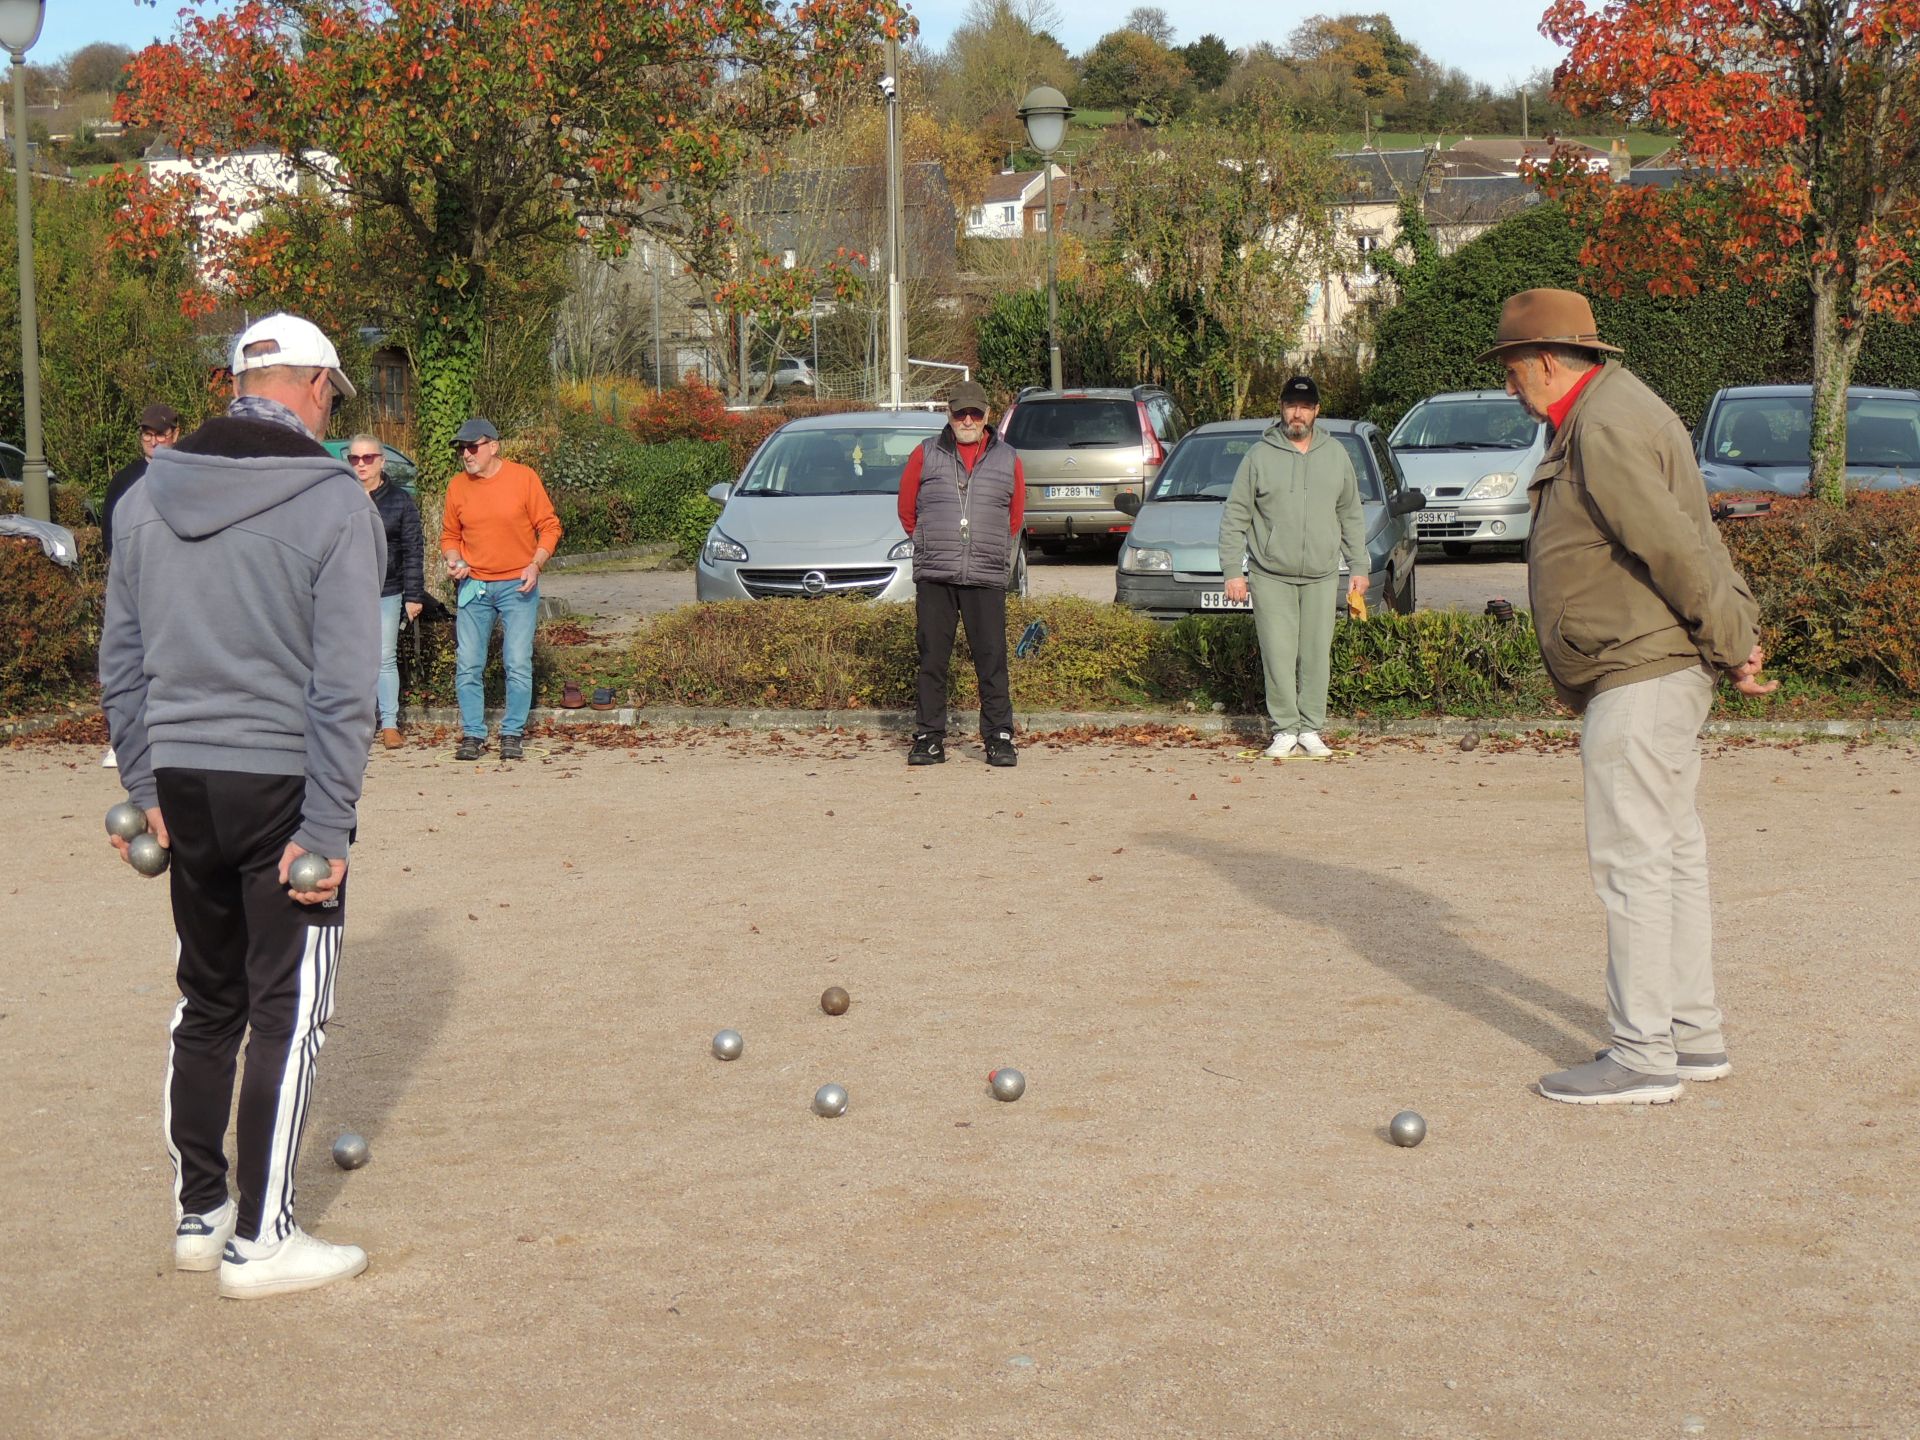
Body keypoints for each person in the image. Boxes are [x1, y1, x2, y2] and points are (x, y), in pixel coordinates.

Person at [98, 312, 384, 1298]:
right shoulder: (335, 503)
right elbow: (347, 686)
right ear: (309, 385)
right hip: (281, 784)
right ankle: (262, 1240)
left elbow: (121, 661)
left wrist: (141, 782)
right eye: (329, 393)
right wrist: (330, 825)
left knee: (207, 998)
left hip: (180, 781)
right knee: (286, 1010)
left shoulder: (142, 495)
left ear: (233, 383)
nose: (328, 408)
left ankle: (200, 1212)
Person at [1483, 288, 1776, 1106]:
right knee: (1673, 853)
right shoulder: (1612, 410)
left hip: (1640, 669)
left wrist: (1729, 634)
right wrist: (1735, 633)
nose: (1509, 386)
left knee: (1635, 863)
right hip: (1657, 663)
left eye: (1511, 369)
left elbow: (1673, 542)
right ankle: (1691, 1037)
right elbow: (1695, 532)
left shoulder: (1603, 423)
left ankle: (1644, 1053)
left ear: (1545, 359)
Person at [1217, 375, 1368, 759]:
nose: (1296, 413)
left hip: (1321, 574)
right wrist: (1233, 570)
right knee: (1279, 653)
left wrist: (1358, 566)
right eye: (1290, 406)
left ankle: (1311, 728)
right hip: (1271, 574)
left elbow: (1350, 513)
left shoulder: (1336, 456)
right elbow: (1235, 515)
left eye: (1304, 407)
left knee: (1317, 653)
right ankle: (1285, 729)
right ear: (1282, 409)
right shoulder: (1259, 456)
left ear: (1317, 411)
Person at [896, 380, 1025, 767]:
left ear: (987, 416)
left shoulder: (1009, 459)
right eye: (959, 413)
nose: (967, 420)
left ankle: (999, 737)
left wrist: (994, 551)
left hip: (985, 574)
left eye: (974, 413)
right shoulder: (926, 453)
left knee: (992, 658)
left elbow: (1015, 516)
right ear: (949, 416)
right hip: (937, 574)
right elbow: (906, 509)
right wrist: (927, 539)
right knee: (933, 658)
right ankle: (928, 737)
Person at [438, 417, 562, 762]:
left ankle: (512, 732)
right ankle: (473, 734)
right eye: (461, 448)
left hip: (518, 586)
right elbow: (450, 535)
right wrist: (453, 559)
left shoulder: (524, 478)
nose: (466, 454)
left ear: (494, 446)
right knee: (468, 664)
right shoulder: (457, 487)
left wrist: (535, 564)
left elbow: (549, 526)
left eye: (472, 447)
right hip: (474, 585)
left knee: (517, 662)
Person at [346, 435, 426, 749]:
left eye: (368, 458)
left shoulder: (401, 501)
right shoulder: (339, 498)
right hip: (346, 594)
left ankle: (390, 724)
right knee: (350, 661)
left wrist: (414, 595)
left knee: (384, 658)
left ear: (381, 460)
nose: (361, 464)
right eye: (355, 458)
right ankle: (355, 724)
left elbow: (413, 550)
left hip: (387, 591)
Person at [101, 403, 182, 562]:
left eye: (160, 434)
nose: (153, 442)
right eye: (147, 434)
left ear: (175, 434)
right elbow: (109, 530)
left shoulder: (188, 474)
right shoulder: (124, 480)